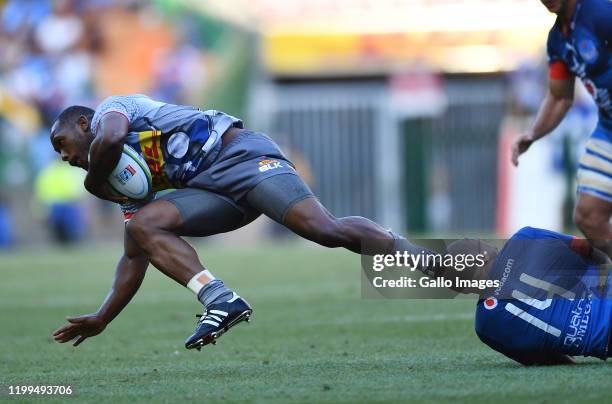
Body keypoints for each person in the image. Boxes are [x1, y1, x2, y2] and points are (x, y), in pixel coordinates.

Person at [50, 94, 409, 350]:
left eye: (62, 143)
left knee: (324, 230)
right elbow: (134, 255)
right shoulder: (123, 178)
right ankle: (220, 300)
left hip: (241, 157)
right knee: (142, 226)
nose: (65, 156)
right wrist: (103, 316)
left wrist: (93, 183)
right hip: (213, 192)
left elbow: (111, 138)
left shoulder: (112, 112)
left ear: (84, 124)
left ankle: (431, 260)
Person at [511, 0, 612, 252]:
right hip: (608, 127)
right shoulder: (557, 41)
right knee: (588, 216)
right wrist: (533, 133)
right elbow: (559, 97)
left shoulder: (601, 11)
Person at [437, 227, 611, 365]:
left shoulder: (485, 326)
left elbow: (549, 359)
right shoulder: (526, 236)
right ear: (483, 256)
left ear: (465, 289)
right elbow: (590, 248)